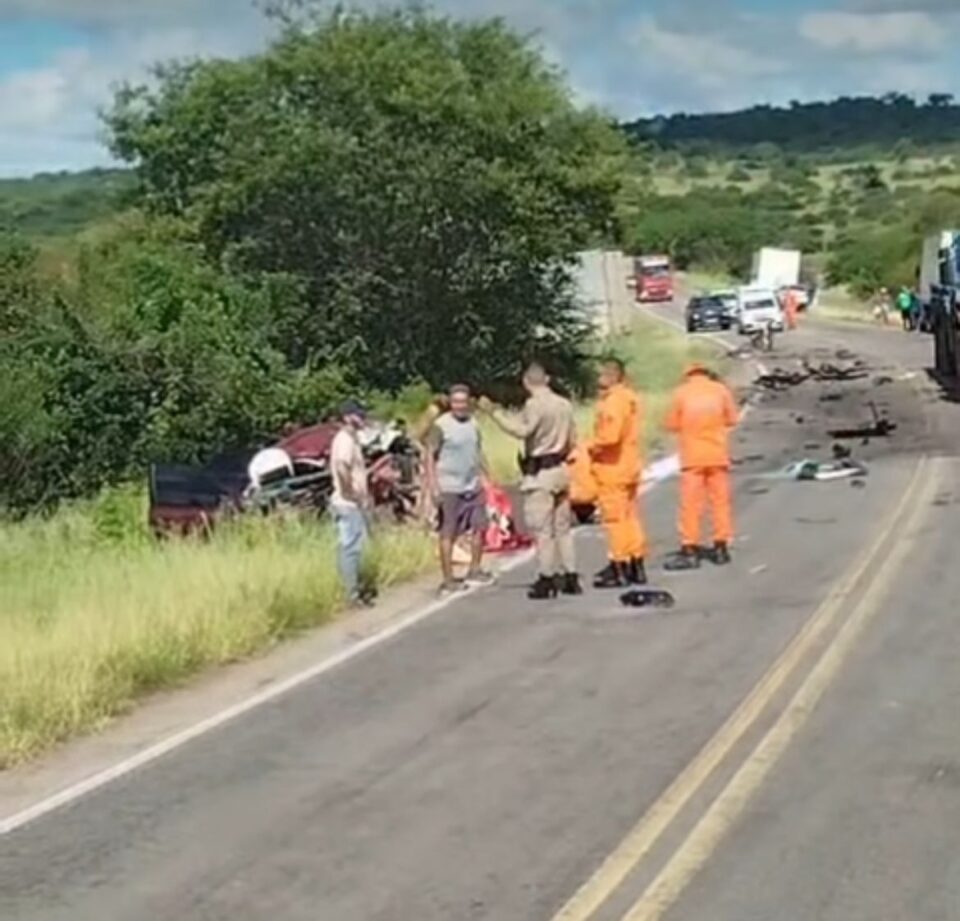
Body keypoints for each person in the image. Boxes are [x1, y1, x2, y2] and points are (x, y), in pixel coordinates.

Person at [481, 363, 581, 599]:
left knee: (542, 529)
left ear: (526, 382)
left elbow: (523, 431)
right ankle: (571, 575)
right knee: (563, 528)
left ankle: (546, 577)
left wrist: (495, 414)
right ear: (546, 379)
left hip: (540, 473)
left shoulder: (534, 405)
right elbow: (573, 437)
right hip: (561, 468)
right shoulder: (564, 404)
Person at [664, 364, 739, 570]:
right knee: (720, 503)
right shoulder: (720, 390)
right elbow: (732, 419)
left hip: (692, 457)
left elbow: (670, 424)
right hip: (717, 455)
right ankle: (721, 546)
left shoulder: (681, 393)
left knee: (691, 505)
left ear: (688, 375)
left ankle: (690, 547)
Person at [424, 384, 493, 595]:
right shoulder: (440, 426)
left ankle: (475, 568)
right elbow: (429, 456)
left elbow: (478, 451)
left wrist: (488, 477)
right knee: (448, 532)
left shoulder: (473, 423)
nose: (460, 406)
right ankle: (448, 578)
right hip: (449, 486)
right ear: (450, 404)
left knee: (480, 527)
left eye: (463, 402)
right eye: (456, 402)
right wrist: (433, 487)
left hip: (473, 483)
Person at [589, 358, 647, 588]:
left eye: (601, 374)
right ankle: (636, 563)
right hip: (630, 465)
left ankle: (619, 565)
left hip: (613, 467)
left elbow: (611, 437)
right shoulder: (629, 397)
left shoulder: (613, 402)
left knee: (615, 520)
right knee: (631, 517)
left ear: (611, 376)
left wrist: (591, 445)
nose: (598, 379)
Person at [330, 400, 375, 607]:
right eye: (358, 415)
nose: (362, 418)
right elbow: (341, 466)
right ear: (347, 417)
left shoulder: (352, 438)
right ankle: (351, 594)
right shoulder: (345, 440)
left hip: (350, 503)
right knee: (350, 548)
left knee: (353, 547)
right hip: (347, 504)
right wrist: (351, 493)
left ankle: (353, 590)